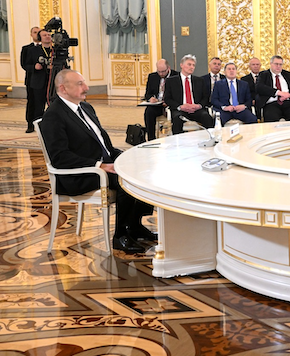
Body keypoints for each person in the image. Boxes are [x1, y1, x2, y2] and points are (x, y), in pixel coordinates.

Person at [38, 69, 155, 254]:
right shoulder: (54, 115)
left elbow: (103, 143)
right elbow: (60, 157)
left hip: (100, 163)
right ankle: (120, 235)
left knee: (142, 171)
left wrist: (126, 157)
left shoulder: (86, 108)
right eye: (80, 84)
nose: (87, 87)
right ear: (63, 88)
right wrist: (99, 166)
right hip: (78, 175)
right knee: (125, 181)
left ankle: (135, 225)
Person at [163, 54, 214, 134]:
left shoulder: (200, 80)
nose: (192, 67)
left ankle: (210, 140)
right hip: (180, 110)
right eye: (189, 64)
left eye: (193, 65)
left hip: (196, 109)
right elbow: (167, 99)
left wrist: (198, 106)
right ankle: (178, 144)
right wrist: (180, 106)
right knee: (177, 119)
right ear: (181, 65)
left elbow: (205, 97)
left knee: (207, 117)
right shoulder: (171, 81)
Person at [256, 55, 290, 122]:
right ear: (271, 64)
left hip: (289, 103)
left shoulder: (288, 74)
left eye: (280, 64)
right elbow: (259, 87)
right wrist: (278, 92)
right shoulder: (264, 74)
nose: (278, 66)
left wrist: (288, 94)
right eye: (276, 64)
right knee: (271, 121)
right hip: (272, 103)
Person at [142, 59, 178, 141]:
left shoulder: (176, 76)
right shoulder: (152, 77)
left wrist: (168, 101)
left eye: (163, 71)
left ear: (168, 68)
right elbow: (147, 94)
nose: (161, 74)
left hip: (170, 105)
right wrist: (151, 98)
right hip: (157, 105)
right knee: (148, 112)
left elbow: (178, 95)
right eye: (159, 71)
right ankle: (151, 139)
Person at [21, 26, 46, 133]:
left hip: (46, 79)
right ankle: (30, 123)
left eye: (39, 32)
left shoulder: (47, 48)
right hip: (32, 80)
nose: (37, 34)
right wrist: (33, 68)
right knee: (32, 102)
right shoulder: (26, 48)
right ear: (31, 34)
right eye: (35, 32)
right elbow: (24, 64)